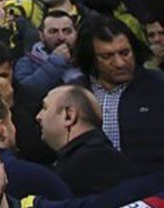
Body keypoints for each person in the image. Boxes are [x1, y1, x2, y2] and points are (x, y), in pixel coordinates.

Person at [74, 16, 164, 172]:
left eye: (125, 53)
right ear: (90, 58)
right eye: (107, 57)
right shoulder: (74, 93)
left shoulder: (158, 86)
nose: (120, 63)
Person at [36, 85, 138, 196]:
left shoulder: (95, 162)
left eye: (45, 108)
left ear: (69, 116)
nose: (38, 116)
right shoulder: (88, 157)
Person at [16, 11, 80, 94]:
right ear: (41, 36)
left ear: (76, 34)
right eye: (53, 31)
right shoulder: (27, 62)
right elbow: (25, 91)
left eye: (67, 31)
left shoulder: (86, 59)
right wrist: (55, 62)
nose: (61, 37)